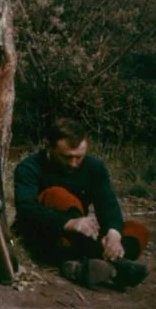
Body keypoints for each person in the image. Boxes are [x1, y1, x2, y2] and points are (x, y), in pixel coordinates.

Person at [14, 117, 149, 289]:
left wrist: (113, 235)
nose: (74, 164)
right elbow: (26, 208)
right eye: (66, 157)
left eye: (79, 157)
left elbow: (107, 202)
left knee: (137, 230)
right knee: (57, 194)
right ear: (49, 147)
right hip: (47, 232)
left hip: (82, 234)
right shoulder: (30, 167)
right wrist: (68, 222)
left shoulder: (94, 167)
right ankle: (112, 266)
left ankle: (99, 266)